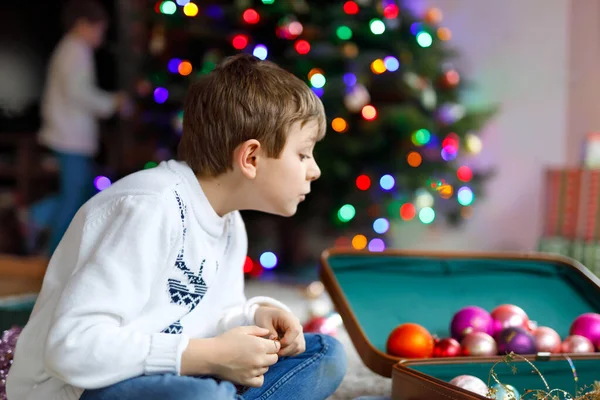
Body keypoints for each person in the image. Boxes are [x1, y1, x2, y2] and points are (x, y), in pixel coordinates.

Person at [6, 54, 347, 400]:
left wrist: (255, 315)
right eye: (303, 154)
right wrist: (210, 356)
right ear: (251, 158)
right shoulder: (148, 209)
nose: (314, 170)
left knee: (325, 354)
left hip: (170, 376)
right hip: (81, 389)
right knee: (204, 396)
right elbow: (71, 348)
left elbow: (206, 318)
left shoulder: (230, 223)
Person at [23, 0, 128, 256]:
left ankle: (34, 218)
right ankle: (51, 252)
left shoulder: (73, 50)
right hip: (69, 138)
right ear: (83, 25)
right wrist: (113, 102)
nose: (101, 38)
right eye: (99, 31)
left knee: (79, 192)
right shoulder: (75, 51)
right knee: (73, 198)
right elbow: (79, 94)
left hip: (70, 135)